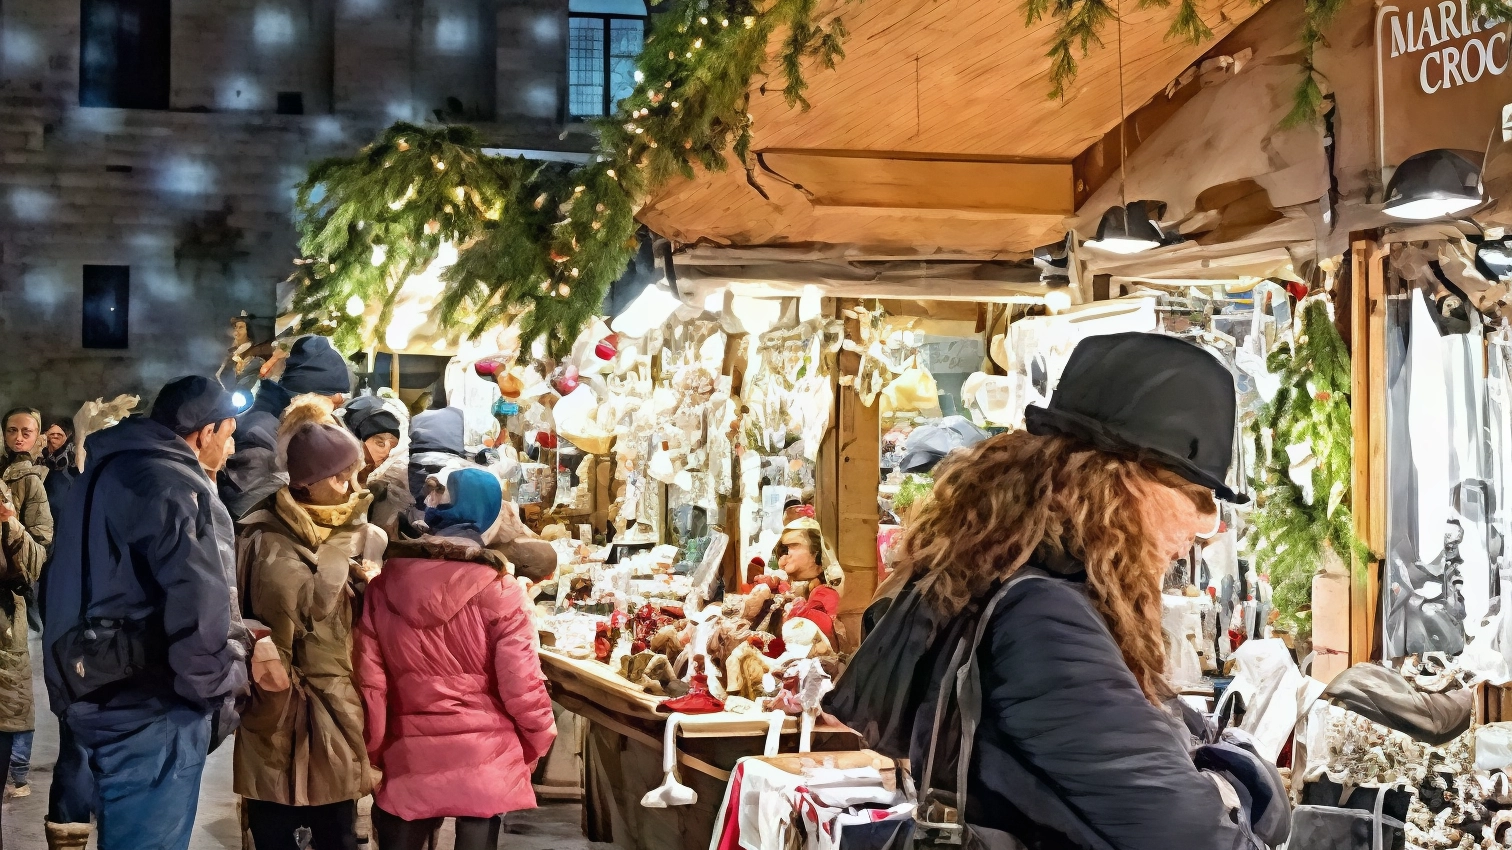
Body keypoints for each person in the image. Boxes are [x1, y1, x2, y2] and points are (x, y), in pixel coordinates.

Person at [852, 333, 1285, 849]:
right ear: (1117, 482)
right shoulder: (1043, 619)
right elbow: (1191, 834)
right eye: (1194, 492)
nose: (1205, 524)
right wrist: (1243, 787)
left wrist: (1218, 770)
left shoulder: (1024, 586)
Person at [42, 376, 250, 850]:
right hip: (152, 705)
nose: (232, 445)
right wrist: (220, 687)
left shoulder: (102, 473)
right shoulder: (178, 486)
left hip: (90, 682)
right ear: (204, 433)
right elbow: (202, 604)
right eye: (229, 432)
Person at [354, 468, 556, 850]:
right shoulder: (500, 589)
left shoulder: (383, 587)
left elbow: (371, 682)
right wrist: (538, 736)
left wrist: (374, 747)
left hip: (408, 748)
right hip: (486, 751)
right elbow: (521, 683)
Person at [234, 398, 382, 850]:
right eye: (340, 476)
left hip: (338, 699)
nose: (350, 487)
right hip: (276, 697)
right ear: (308, 480)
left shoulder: (361, 532)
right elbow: (256, 609)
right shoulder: (261, 533)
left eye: (353, 474)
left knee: (337, 829)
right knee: (272, 825)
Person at [221, 335, 352, 519]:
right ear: (310, 401)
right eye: (330, 405)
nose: (328, 418)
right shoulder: (259, 434)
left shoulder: (286, 426)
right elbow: (244, 510)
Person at [1, 407, 53, 802]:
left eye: (27, 431)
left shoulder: (33, 482)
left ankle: (17, 771)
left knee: (12, 700)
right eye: (12, 430)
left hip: (10, 607)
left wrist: (11, 523)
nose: (19, 437)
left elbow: (38, 557)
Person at [340, 393, 413, 539]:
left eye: (392, 446)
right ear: (358, 439)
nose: (387, 451)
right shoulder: (337, 464)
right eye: (380, 443)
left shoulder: (392, 467)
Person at [39, 418, 78, 508]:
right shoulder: (41, 453)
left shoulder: (72, 451)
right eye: (52, 434)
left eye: (59, 434)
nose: (55, 437)